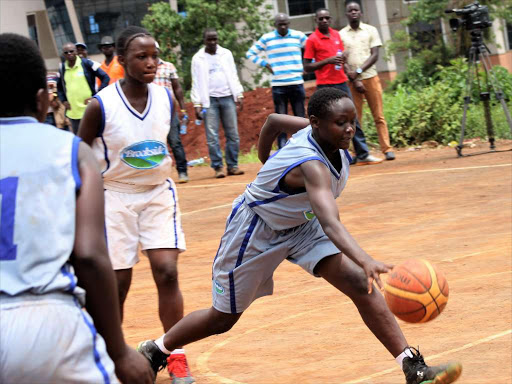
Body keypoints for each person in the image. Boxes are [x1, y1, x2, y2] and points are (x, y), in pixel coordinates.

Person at [136, 88, 463, 384]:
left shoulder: (323, 133)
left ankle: (412, 367)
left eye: (351, 120)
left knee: (358, 285)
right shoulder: (311, 165)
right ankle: (157, 349)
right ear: (317, 123)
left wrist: (266, 157)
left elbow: (275, 120)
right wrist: (365, 259)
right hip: (256, 229)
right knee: (222, 319)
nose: (349, 128)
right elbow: (330, 221)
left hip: (301, 225)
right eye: (340, 123)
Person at [0, 32, 154, 384]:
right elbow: (88, 255)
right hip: (47, 322)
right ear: (42, 101)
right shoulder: (71, 151)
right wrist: (118, 352)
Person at [78, 26, 194, 384]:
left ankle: (175, 356)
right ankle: (109, 357)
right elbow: (78, 154)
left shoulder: (164, 97)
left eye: (154, 56)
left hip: (158, 191)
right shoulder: (100, 105)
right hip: (114, 194)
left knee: (168, 271)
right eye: (141, 56)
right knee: (117, 283)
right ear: (121, 60)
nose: (150, 63)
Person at [303, 8, 382, 166]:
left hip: (341, 82)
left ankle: (363, 154)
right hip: (325, 86)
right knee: (328, 123)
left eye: (327, 18)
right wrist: (328, 61)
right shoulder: (312, 40)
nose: (324, 21)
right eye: (321, 19)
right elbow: (307, 67)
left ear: (330, 19)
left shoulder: (336, 35)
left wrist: (352, 78)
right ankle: (330, 157)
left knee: (352, 120)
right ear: (316, 21)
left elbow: (341, 60)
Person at [340, 2, 395, 161]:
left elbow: (375, 55)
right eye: (350, 11)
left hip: (370, 77)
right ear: (346, 14)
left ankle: (387, 149)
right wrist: (353, 76)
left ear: (361, 13)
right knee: (355, 119)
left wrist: (358, 72)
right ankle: (359, 152)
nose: (353, 13)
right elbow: (341, 58)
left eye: (356, 10)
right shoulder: (341, 34)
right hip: (351, 81)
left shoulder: (371, 30)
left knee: (379, 115)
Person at [246, 13, 307, 149]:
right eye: (280, 24)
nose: (283, 26)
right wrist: (265, 64)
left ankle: (305, 147)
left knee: (301, 118)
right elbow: (250, 53)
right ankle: (283, 149)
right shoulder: (267, 38)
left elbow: (312, 50)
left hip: (296, 82)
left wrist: (307, 66)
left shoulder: (298, 36)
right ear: (275, 25)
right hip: (279, 85)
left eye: (285, 23)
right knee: (280, 120)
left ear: (289, 23)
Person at [191, 28, 245, 179]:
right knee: (212, 136)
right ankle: (218, 167)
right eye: (210, 39)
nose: (213, 42)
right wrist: (197, 103)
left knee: (233, 134)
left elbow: (233, 74)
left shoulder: (226, 54)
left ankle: (232, 165)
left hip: (228, 97)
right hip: (209, 101)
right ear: (204, 41)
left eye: (215, 39)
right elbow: (195, 81)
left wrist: (239, 94)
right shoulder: (198, 58)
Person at [153, 42, 189, 183]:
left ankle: (182, 171)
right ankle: (157, 175)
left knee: (175, 142)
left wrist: (183, 108)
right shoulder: (145, 68)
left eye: (155, 51)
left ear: (159, 51)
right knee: (155, 144)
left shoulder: (168, 66)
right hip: (151, 113)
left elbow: (177, 88)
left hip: (169, 110)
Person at [57, 42, 110, 134]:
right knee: (80, 141)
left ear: (76, 52)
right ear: (63, 54)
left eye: (71, 51)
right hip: (73, 113)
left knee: (95, 137)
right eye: (66, 52)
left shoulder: (86, 63)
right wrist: (63, 100)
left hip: (89, 110)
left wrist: (96, 96)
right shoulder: (62, 68)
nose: (69, 54)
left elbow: (105, 77)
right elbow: (59, 87)